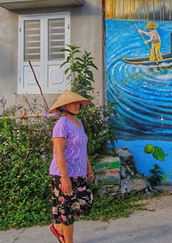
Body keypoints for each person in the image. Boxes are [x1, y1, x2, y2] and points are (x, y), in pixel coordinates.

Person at [48, 90, 95, 243]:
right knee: (67, 211)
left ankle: (58, 227)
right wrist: (65, 178)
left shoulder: (78, 122)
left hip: (79, 172)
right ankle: (67, 240)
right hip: (63, 173)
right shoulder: (62, 124)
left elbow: (82, 148)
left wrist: (88, 167)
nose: (76, 105)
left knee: (85, 203)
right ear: (63, 106)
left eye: (78, 103)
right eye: (72, 103)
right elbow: (58, 152)